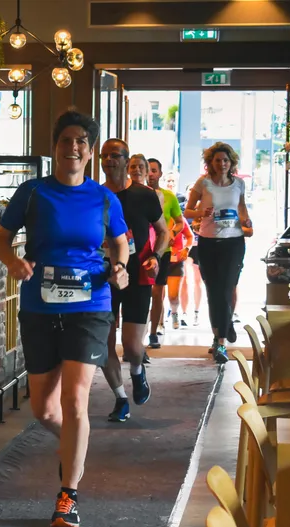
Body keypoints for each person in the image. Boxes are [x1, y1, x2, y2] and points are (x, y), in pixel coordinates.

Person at [0, 110, 130, 527]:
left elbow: (120, 244)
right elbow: (1, 239)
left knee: (75, 401)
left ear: (90, 152)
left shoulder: (104, 198)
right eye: (65, 140)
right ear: (55, 147)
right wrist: (12, 261)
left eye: (81, 142)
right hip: (39, 306)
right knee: (43, 410)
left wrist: (121, 268)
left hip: (90, 305)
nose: (73, 147)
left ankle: (67, 496)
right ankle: (75, 442)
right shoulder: (32, 192)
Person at [100, 144, 169, 422]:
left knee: (130, 346)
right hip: (102, 276)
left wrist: (155, 256)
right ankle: (120, 399)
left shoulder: (144, 195)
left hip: (137, 274)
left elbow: (163, 231)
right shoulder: (96, 195)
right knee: (103, 343)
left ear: (126, 161)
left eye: (114, 155)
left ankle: (138, 372)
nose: (109, 160)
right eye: (104, 155)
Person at [184, 142, 252, 364]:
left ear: (231, 163)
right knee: (213, 291)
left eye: (226, 160)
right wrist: (201, 213)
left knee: (226, 288)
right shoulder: (203, 183)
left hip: (234, 242)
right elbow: (188, 211)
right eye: (217, 160)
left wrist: (246, 221)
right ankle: (221, 330)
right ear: (210, 163)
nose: (222, 164)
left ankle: (221, 341)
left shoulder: (239, 184)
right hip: (209, 242)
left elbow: (242, 208)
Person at [145, 158, 185, 348]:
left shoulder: (169, 196)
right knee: (141, 293)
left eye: (154, 170)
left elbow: (180, 222)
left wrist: (172, 234)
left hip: (162, 250)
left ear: (160, 174)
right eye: (148, 170)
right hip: (141, 248)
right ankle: (138, 332)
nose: (150, 174)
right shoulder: (135, 194)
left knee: (157, 292)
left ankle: (154, 331)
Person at [165, 217, 194, 329]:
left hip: (176, 261)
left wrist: (186, 249)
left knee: (173, 296)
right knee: (158, 294)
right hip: (159, 260)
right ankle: (159, 323)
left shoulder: (179, 219)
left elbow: (190, 236)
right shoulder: (155, 216)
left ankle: (174, 313)